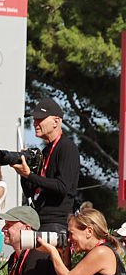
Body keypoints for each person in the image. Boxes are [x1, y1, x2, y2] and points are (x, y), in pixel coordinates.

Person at [15, 97, 80, 233]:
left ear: (56, 122)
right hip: (40, 218)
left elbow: (62, 187)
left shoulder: (67, 147)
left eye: (40, 119)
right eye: (34, 119)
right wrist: (24, 169)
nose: (35, 123)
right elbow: (30, 191)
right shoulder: (45, 151)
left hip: (56, 222)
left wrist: (30, 175)